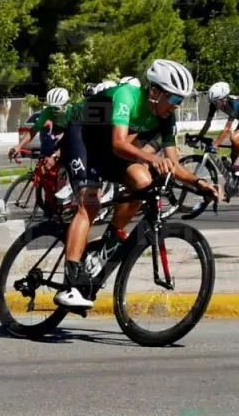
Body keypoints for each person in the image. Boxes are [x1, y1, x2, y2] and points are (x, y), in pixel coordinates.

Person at [55, 60, 218, 310]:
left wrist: (198, 183)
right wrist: (152, 158)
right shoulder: (126, 96)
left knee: (144, 181)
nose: (176, 107)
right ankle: (70, 285)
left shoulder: (166, 118)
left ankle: (108, 244)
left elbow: (173, 164)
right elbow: (120, 144)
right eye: (174, 100)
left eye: (180, 101)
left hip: (106, 147)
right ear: (154, 91)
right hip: (82, 136)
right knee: (90, 204)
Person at [11, 87, 75, 201]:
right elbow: (33, 131)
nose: (53, 111)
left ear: (66, 104)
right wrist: (19, 146)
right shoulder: (47, 112)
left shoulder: (73, 114)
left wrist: (54, 157)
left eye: (57, 108)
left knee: (65, 165)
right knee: (46, 170)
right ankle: (50, 202)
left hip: (72, 138)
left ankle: (68, 192)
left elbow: (70, 140)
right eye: (51, 108)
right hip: (58, 137)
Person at [201, 82, 239, 176]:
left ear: (224, 99)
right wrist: (199, 136)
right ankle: (237, 178)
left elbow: (227, 129)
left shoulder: (234, 103)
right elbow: (208, 123)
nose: (215, 105)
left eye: (217, 102)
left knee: (234, 138)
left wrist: (215, 145)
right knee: (234, 153)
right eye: (213, 102)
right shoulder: (214, 104)